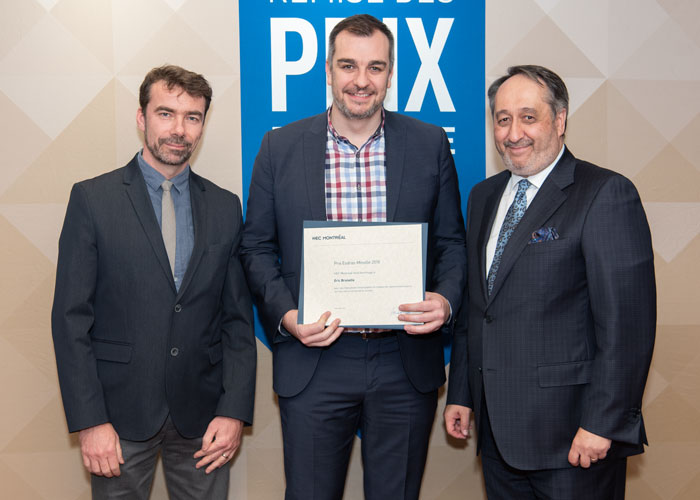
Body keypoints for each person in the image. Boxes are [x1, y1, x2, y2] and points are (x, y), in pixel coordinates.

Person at [240, 14, 466, 500]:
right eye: (348, 65)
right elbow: (256, 247)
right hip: (315, 358)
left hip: (404, 360)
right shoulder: (280, 147)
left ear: (390, 74)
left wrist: (445, 301)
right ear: (328, 70)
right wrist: (287, 315)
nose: (361, 81)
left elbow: (451, 243)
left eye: (376, 67)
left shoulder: (429, 145)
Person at [444, 65, 656, 499]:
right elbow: (479, 308)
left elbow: (627, 330)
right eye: (502, 119)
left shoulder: (604, 194)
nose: (512, 132)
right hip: (499, 437)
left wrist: (602, 423)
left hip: (573, 440)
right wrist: (463, 392)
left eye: (528, 116)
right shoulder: (483, 196)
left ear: (559, 121)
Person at [51, 64, 257, 499]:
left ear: (203, 124)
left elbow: (237, 322)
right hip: (117, 418)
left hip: (204, 420)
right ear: (142, 118)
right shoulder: (92, 200)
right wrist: (90, 422)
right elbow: (70, 321)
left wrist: (234, 411)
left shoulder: (224, 206)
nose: (179, 129)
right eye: (166, 114)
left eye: (193, 117)